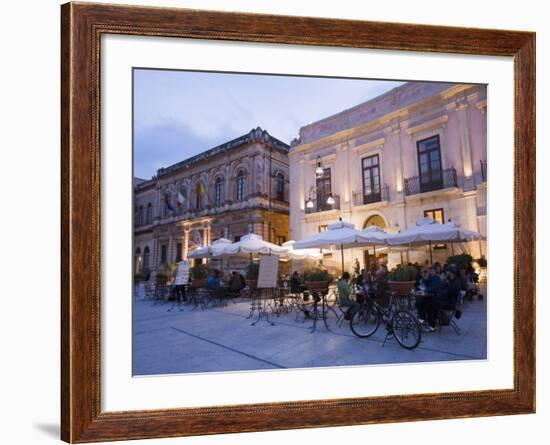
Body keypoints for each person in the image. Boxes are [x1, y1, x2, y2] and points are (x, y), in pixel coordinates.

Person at [425, 264, 462, 330]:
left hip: (450, 304)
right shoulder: (452, 280)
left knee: (429, 305)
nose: (446, 273)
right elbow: (441, 288)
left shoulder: (455, 283)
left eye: (447, 271)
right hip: (448, 301)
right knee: (431, 301)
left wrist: (438, 294)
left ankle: (432, 326)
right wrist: (444, 281)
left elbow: (446, 293)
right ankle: (435, 320)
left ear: (451, 273)